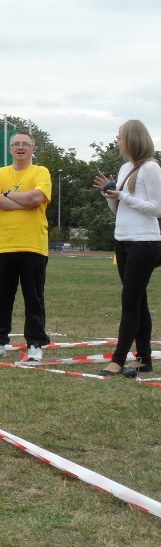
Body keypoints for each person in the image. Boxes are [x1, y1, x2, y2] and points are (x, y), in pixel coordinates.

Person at [92, 119, 161, 376]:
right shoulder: (124, 169)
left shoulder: (151, 168)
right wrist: (111, 195)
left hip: (145, 241)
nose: (117, 141)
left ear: (133, 139)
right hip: (122, 239)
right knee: (138, 300)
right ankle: (144, 359)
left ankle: (118, 360)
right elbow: (119, 209)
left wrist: (122, 195)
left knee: (130, 301)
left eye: (120, 137)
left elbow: (156, 208)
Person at [0, 132, 52, 362]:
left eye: (26, 144)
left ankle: (35, 344)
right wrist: (24, 201)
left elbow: (36, 199)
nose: (21, 147)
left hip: (33, 245)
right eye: (16, 144)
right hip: (3, 245)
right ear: (10, 149)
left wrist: (9, 194)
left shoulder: (41, 172)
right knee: (1, 298)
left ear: (34, 149)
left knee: (34, 297)